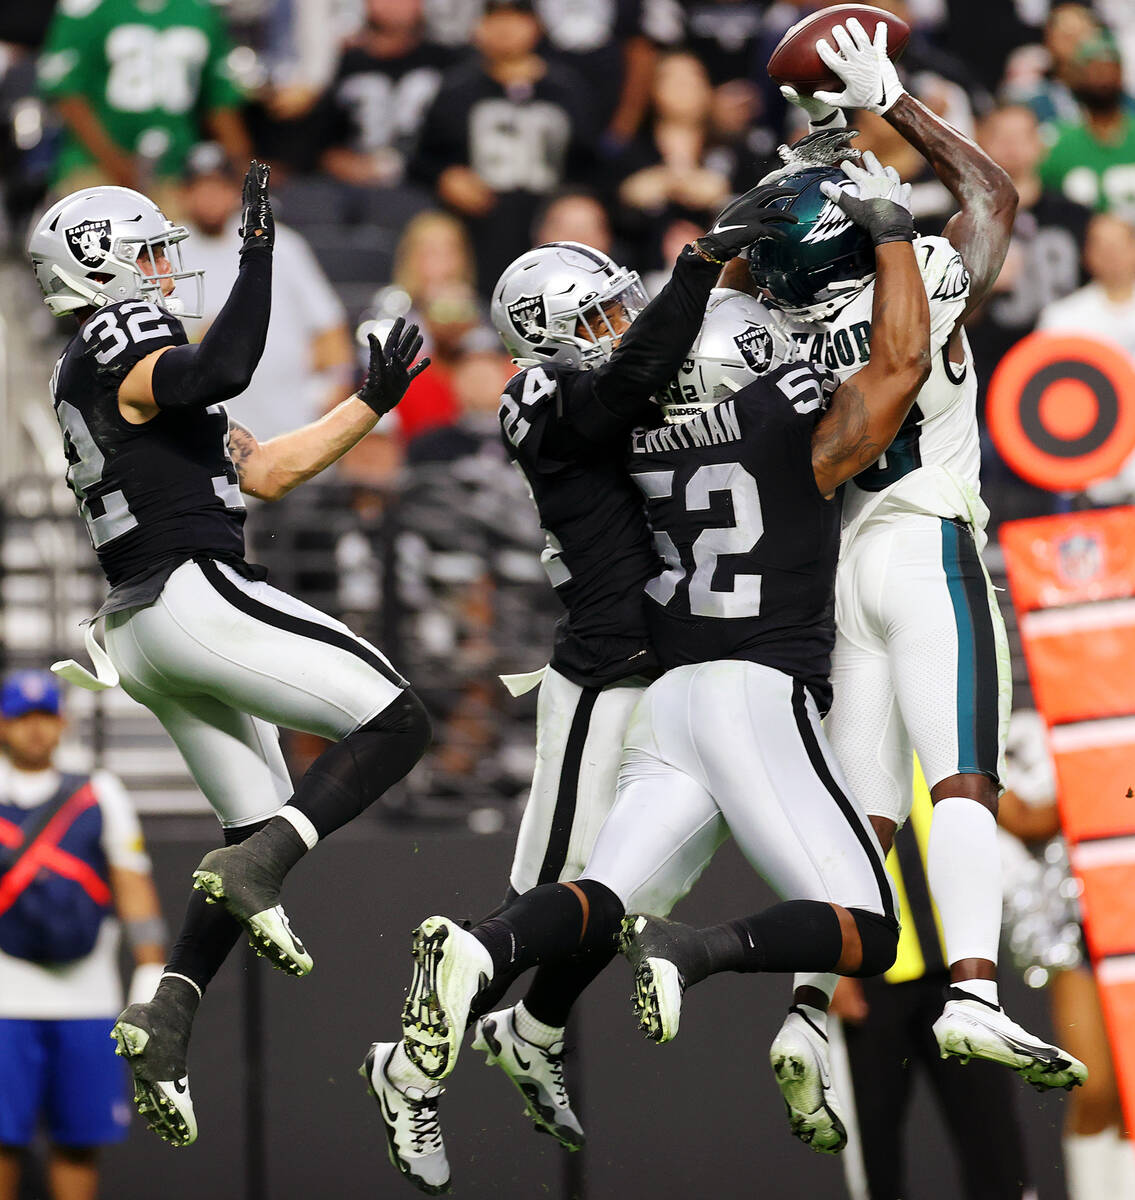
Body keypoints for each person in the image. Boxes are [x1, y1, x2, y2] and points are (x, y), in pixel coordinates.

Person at [362, 162, 932, 1193]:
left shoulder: (637, 422)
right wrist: (881, 234)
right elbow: (874, 367)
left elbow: (668, 378)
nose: (631, 320)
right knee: (853, 924)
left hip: (664, 682)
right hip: (638, 674)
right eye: (609, 309)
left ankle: (518, 1012)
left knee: (598, 897)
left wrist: (750, 264)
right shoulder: (573, 399)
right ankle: (423, 1056)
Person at [25, 163, 432, 1148]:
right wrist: (259, 253)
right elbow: (221, 372)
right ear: (101, 262)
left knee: (254, 832)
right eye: (153, 251)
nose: (168, 269)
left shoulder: (100, 367)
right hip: (190, 590)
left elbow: (269, 466)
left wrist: (368, 403)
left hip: (148, 628)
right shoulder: (118, 337)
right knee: (398, 720)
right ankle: (259, 867)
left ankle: (167, 1016)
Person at [762, 17, 1086, 1155]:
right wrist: (892, 102)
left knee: (860, 813)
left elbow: (777, 248)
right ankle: (977, 993)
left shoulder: (773, 338)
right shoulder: (922, 275)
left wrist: (814, 150)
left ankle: (806, 1006)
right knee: (959, 788)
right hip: (928, 543)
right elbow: (991, 196)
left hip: (838, 573)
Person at [829, 764, 1032, 1199]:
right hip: (871, 972)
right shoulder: (830, 719)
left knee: (993, 1135)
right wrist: (825, 968)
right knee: (875, 1145)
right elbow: (802, 839)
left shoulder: (937, 712)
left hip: (957, 967)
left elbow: (1003, 805)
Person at [0, 670, 166, 1200]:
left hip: (89, 1000)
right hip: (5, 1003)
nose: (34, 730)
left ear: (63, 722)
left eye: (45, 717)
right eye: (21, 718)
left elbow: (132, 883)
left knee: (79, 1143)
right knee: (2, 1144)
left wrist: (149, 970)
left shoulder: (101, 792)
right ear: (3, 725)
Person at [409, 0, 596, 292]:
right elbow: (420, 160)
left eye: (517, 18)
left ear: (536, 26)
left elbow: (590, 161)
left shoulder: (567, 89)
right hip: (480, 231)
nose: (506, 28)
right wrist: (445, 177)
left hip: (552, 234)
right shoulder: (456, 89)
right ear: (479, 28)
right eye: (496, 18)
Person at [178, 143, 355, 443]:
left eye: (218, 186)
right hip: (206, 436)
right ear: (184, 193)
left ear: (236, 191)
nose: (209, 198)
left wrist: (323, 405)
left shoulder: (279, 243)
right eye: (200, 187)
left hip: (288, 424)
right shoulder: (167, 252)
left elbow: (331, 335)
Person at [36, 0, 250, 207]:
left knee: (203, 223)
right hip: (95, 163)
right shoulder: (89, 7)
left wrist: (244, 171)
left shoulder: (200, 9)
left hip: (176, 169)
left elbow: (220, 99)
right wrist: (119, 167)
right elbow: (68, 95)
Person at [317, 0, 455, 190]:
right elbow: (317, 139)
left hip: (425, 184)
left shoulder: (450, 61)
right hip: (349, 185)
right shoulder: (339, 62)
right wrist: (337, 161)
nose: (395, 4)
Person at [1038, 32, 1135, 221]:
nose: (1103, 77)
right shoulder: (1057, 140)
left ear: (1121, 74)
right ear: (1078, 77)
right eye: (1095, 70)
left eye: (1109, 69)